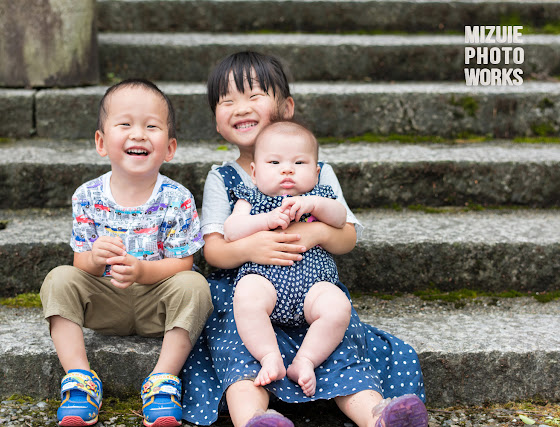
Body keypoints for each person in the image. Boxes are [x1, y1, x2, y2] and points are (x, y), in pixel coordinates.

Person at [181, 51, 427, 427]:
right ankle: (255, 419)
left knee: (342, 339)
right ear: (216, 119)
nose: (240, 108)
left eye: (253, 96)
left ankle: (376, 415)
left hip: (312, 283)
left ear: (286, 106)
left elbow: (346, 238)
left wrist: (313, 231)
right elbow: (214, 249)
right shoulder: (224, 178)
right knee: (238, 350)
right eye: (226, 101)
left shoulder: (318, 172)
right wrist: (251, 247)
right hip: (247, 291)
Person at [40, 78, 213, 427]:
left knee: (195, 285)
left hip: (158, 303)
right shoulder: (87, 196)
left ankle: (163, 381)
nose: (138, 134)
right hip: (106, 302)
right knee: (58, 279)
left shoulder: (177, 198)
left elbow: (184, 262)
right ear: (101, 142)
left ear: (170, 147)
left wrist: (142, 272)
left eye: (152, 126)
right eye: (125, 124)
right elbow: (80, 263)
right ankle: (80, 379)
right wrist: (95, 258)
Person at [224, 120, 352, 398]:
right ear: (254, 173)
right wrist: (264, 220)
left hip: (314, 285)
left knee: (338, 307)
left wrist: (315, 205)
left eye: (299, 162)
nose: (287, 169)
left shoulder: (320, 196)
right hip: (265, 281)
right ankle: (270, 356)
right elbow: (231, 231)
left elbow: (341, 219)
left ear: (317, 173)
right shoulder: (251, 198)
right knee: (246, 296)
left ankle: (305, 360)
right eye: (274, 162)